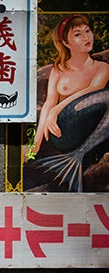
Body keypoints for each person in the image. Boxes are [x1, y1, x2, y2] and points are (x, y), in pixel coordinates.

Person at [28, 14, 109, 192]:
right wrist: (35, 144)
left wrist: (56, 109)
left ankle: (81, 157)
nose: (86, 37)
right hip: (60, 133)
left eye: (88, 31)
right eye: (78, 34)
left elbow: (91, 92)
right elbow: (49, 102)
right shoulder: (58, 69)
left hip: (87, 131)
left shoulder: (102, 68)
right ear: (65, 42)